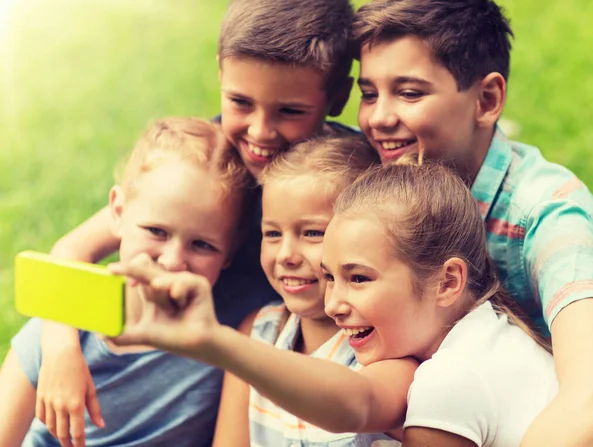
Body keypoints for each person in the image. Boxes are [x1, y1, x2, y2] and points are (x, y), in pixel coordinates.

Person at [34, 0, 358, 445]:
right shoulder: (214, 167)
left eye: (290, 111)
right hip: (185, 359)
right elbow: (72, 251)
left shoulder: (347, 176)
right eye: (240, 102)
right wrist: (59, 352)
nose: (260, 132)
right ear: (222, 76)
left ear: (337, 97)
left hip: (279, 361)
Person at [109, 156, 558, 447]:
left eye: (358, 278)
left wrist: (212, 341)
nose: (335, 302)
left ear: (448, 282)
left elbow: (357, 401)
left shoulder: (448, 381)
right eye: (330, 276)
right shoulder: (492, 330)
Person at [351, 1, 593, 444]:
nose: (378, 118)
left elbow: (590, 397)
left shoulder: (548, 214)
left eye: (409, 93)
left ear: (486, 100)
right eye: (368, 93)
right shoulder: (377, 183)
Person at [0, 117, 258, 447]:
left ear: (231, 251)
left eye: (203, 245)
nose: (172, 261)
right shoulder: (58, 331)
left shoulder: (237, 328)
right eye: (156, 231)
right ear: (118, 213)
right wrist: (60, 351)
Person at [213, 135, 401, 446]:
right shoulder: (258, 334)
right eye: (272, 233)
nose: (286, 254)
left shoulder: (383, 352)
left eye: (312, 232)